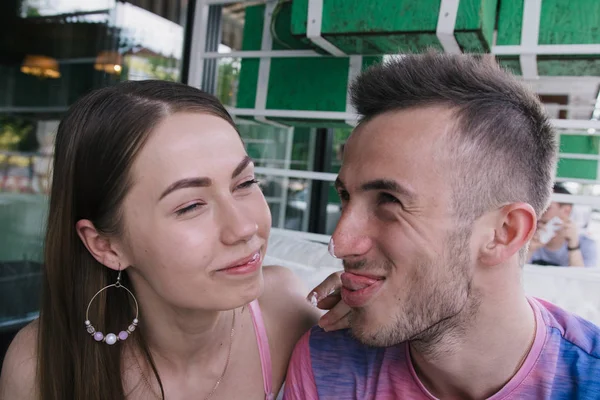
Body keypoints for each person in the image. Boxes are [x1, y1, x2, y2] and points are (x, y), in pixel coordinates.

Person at [0, 80, 345, 400]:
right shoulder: (41, 366)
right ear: (106, 245)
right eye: (191, 205)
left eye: (246, 183)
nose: (244, 228)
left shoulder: (285, 312)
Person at [283, 52, 600, 399]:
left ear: (503, 232)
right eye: (345, 196)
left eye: (389, 199)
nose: (339, 243)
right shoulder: (329, 364)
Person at [528, 183, 597, 267]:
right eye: (536, 207)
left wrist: (573, 247)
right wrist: (530, 249)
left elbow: (581, 278)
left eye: (546, 207)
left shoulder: (587, 245)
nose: (538, 213)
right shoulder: (527, 238)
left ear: (566, 211)